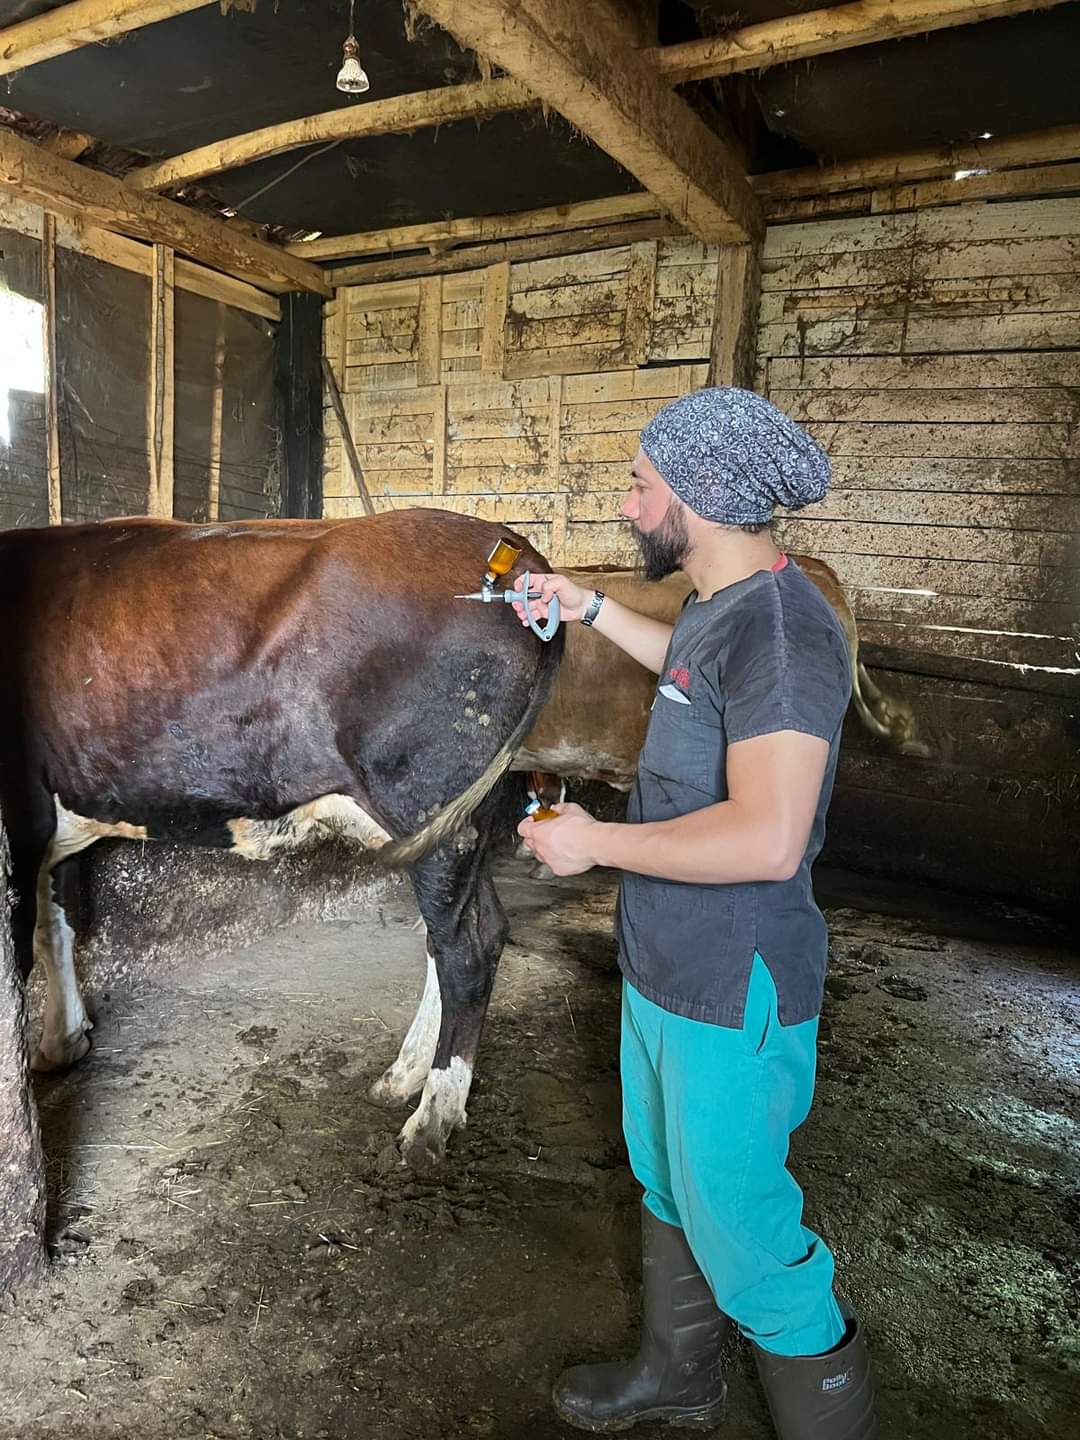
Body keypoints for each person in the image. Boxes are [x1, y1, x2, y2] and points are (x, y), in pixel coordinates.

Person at [515, 387, 877, 1439]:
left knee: (751, 1242)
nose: (628, 504)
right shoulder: (720, 602)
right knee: (670, 1184)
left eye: (642, 484)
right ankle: (679, 1378)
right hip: (667, 965)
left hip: (732, 984)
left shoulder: (781, 633)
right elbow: (682, 675)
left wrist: (595, 844)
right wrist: (582, 606)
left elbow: (769, 837)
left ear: (704, 499)